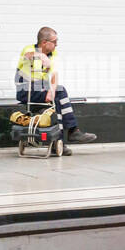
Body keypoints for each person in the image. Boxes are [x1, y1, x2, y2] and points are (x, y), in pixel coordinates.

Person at [15, 27, 97, 155]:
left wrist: (52, 91)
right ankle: (72, 131)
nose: (56, 44)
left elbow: (54, 75)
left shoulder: (54, 54)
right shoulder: (29, 49)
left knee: (57, 101)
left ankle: (59, 142)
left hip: (41, 88)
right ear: (44, 42)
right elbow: (27, 56)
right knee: (61, 92)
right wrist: (40, 55)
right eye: (54, 41)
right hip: (26, 90)